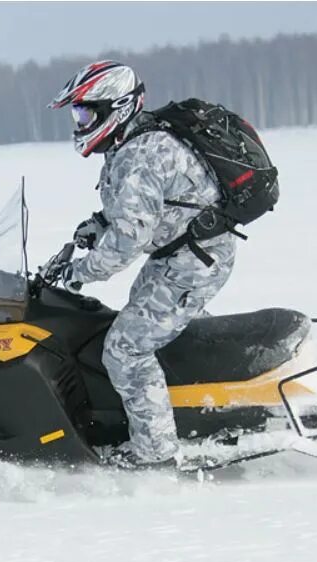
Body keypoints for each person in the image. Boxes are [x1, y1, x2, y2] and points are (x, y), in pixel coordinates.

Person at [47, 60, 238, 469]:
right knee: (154, 335)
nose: (79, 123)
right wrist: (96, 226)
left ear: (114, 108)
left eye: (84, 112)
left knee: (124, 350)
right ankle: (198, 414)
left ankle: (157, 456)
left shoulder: (140, 153)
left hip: (194, 261)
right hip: (179, 255)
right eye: (77, 114)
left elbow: (129, 239)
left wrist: (79, 274)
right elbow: (146, 210)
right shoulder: (131, 144)